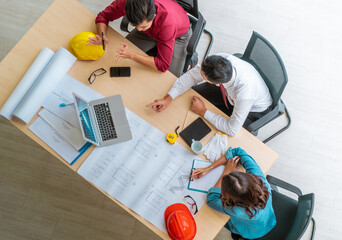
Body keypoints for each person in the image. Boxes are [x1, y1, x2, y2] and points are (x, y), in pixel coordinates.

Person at [146, 53, 273, 136]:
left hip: (252, 110)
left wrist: (203, 111)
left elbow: (232, 130)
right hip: (229, 94)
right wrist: (168, 98)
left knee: (210, 133)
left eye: (203, 77)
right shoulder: (219, 60)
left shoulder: (246, 92)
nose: (199, 74)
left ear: (217, 84)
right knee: (188, 100)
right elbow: (191, 76)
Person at [88, 0, 191, 77]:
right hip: (151, 31)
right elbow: (103, 16)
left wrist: (132, 55)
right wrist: (102, 36)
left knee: (171, 77)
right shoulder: (128, 3)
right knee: (118, 56)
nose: (138, 30)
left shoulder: (168, 24)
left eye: (142, 27)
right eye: (135, 25)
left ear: (154, 16)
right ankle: (156, 47)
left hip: (177, 35)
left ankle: (191, 61)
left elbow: (163, 65)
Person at [191, 147, 276, 239]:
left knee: (214, 219)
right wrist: (208, 169)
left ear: (231, 199)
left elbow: (211, 199)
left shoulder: (237, 210)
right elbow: (238, 151)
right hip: (269, 220)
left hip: (250, 232)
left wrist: (226, 172)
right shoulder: (260, 180)